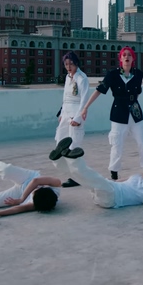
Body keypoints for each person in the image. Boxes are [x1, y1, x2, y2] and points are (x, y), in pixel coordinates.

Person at [81, 46, 143, 181]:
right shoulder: (112, 74)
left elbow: (138, 92)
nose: (126, 57)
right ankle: (114, 172)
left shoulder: (138, 74)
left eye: (129, 55)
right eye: (124, 55)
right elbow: (99, 90)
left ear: (133, 58)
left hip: (135, 113)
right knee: (117, 143)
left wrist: (133, 103)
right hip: (119, 112)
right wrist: (85, 107)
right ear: (120, 59)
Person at [49, 137, 143, 209]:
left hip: (112, 198)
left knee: (92, 178)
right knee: (83, 179)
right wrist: (108, 181)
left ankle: (74, 159)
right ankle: (59, 161)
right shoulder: (136, 177)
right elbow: (118, 181)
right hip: (106, 191)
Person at [55, 51, 89, 188]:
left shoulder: (82, 78)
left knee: (74, 145)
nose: (69, 67)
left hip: (76, 112)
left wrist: (78, 117)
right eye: (66, 64)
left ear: (76, 64)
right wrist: (62, 114)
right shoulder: (68, 77)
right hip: (66, 113)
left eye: (71, 64)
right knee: (61, 142)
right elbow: (65, 97)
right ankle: (71, 173)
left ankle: (77, 177)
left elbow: (84, 99)